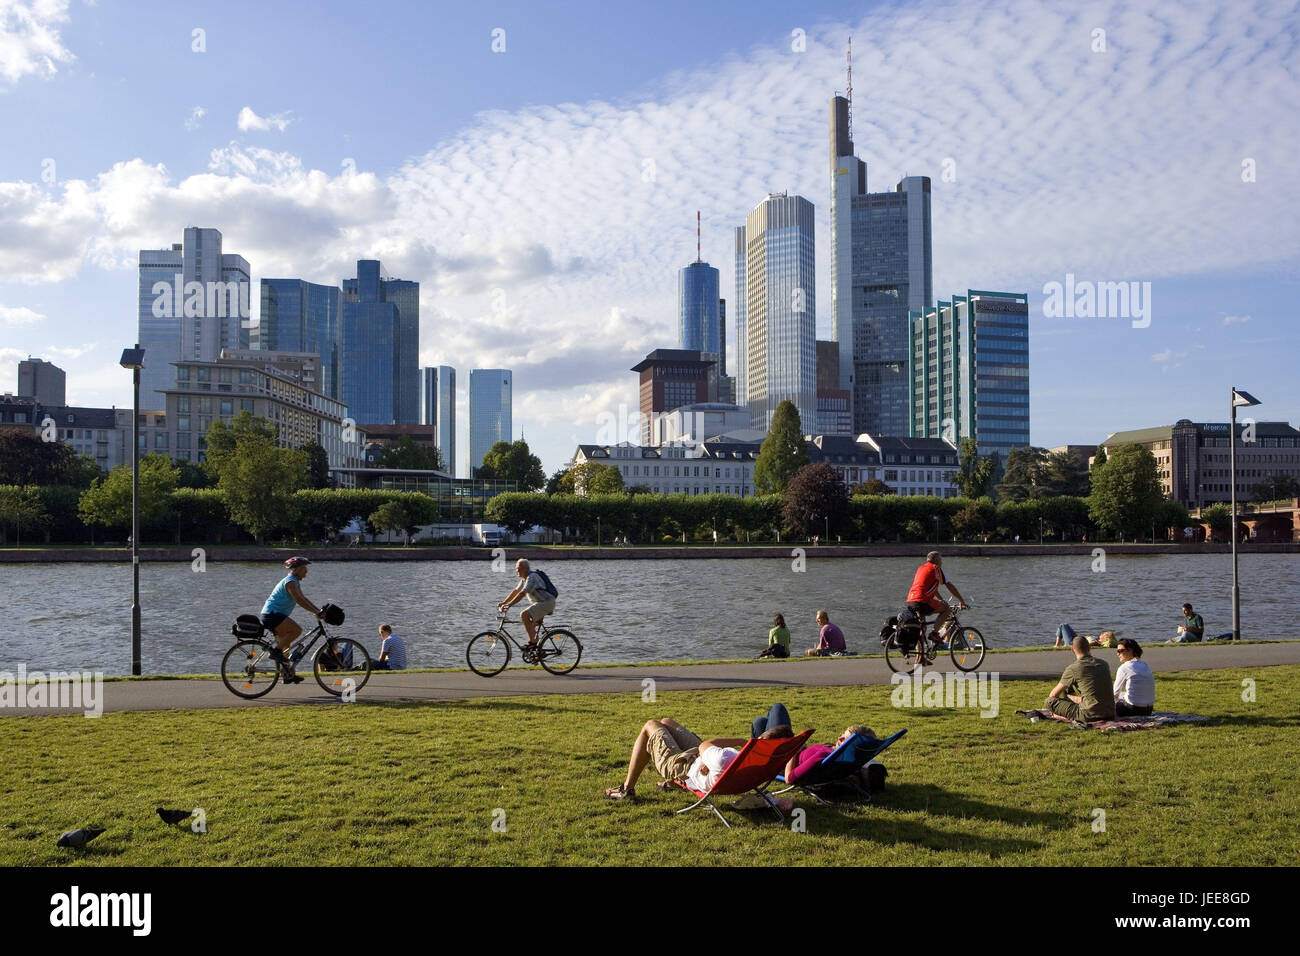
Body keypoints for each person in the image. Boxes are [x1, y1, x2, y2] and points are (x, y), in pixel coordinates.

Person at [603, 718, 790, 801]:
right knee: (666, 722)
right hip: (703, 761)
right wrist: (708, 762)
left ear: (761, 741)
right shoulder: (763, 761)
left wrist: (741, 741)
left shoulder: (725, 758)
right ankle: (672, 784)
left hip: (684, 766)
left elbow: (705, 745)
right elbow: (711, 755)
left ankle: (626, 789)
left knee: (650, 726)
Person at [259, 556, 324, 685]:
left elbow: (303, 598)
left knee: (286, 647)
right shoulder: (290, 582)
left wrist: (319, 610)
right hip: (271, 614)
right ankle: (275, 651)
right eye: (304, 568)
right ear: (297, 569)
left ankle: (287, 674)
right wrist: (316, 612)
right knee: (297, 630)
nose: (306, 571)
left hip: (274, 615)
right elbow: (299, 600)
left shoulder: (294, 581)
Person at [1044, 636, 1116, 723]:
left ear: (1072, 650)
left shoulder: (1073, 668)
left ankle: (1062, 715)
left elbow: (1053, 694)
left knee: (1049, 701)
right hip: (1110, 713)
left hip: (1089, 715)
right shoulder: (1104, 664)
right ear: (1089, 648)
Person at [905, 551, 968, 646]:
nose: (942, 562)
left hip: (911, 600)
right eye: (940, 560)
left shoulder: (921, 568)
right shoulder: (936, 568)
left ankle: (921, 658)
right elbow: (950, 586)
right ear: (936, 560)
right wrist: (962, 601)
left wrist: (941, 600)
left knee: (922, 629)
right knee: (947, 609)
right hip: (922, 601)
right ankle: (934, 633)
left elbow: (930, 588)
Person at [497, 558, 558, 647]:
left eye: (517, 568)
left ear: (525, 568)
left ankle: (533, 643)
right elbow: (516, 591)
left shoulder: (532, 577)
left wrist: (509, 605)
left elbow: (522, 593)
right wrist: (504, 602)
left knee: (524, 615)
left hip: (546, 603)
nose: (516, 570)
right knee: (531, 626)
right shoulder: (524, 579)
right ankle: (537, 650)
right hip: (542, 603)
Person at [1112, 638, 1155, 717]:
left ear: (1130, 650)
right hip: (1148, 710)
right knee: (1123, 694)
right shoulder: (1145, 665)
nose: (1118, 654)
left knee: (1109, 699)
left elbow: (1115, 693)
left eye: (1120, 651)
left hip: (1132, 710)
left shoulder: (1124, 668)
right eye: (1117, 651)